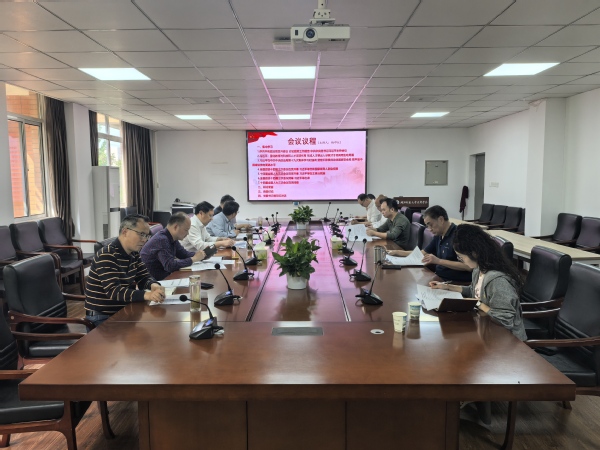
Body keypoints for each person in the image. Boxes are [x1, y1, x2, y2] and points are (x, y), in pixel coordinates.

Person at [430, 224, 527, 340]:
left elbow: (504, 320)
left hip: (507, 340)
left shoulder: (498, 281)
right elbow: (474, 291)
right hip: (486, 329)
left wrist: (477, 304)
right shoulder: (479, 268)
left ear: (474, 253)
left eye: (461, 257)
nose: (461, 261)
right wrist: (447, 287)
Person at [85, 214, 165, 327]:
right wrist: (147, 295)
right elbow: (114, 291)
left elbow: (143, 277)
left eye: (147, 236)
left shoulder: (134, 253)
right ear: (125, 231)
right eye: (141, 234)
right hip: (102, 317)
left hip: (123, 310)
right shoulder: (107, 254)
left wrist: (154, 285)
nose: (144, 240)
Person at [387, 205, 472, 282]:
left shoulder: (459, 236)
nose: (429, 229)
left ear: (441, 220)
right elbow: (422, 253)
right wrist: (397, 252)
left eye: (430, 224)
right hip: (439, 278)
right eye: (427, 226)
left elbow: (468, 267)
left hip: (455, 282)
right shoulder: (439, 235)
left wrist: (439, 261)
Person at [140, 212, 206, 280]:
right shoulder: (162, 240)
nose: (188, 233)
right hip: (153, 280)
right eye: (186, 230)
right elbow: (170, 265)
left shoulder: (171, 237)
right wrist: (193, 259)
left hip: (165, 276)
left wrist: (201, 255)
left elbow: (183, 254)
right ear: (176, 227)